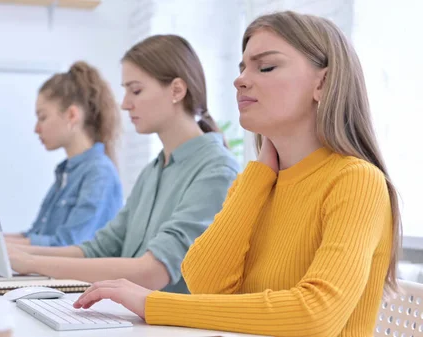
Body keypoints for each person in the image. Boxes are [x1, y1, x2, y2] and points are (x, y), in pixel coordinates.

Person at [73, 11, 401, 337]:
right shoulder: (256, 182)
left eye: (266, 66)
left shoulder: (356, 181)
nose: (240, 79)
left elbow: (315, 314)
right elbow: (204, 284)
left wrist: (152, 304)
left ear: (323, 83)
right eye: (242, 67)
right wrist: (258, 177)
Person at [4, 34, 240, 294]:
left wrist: (31, 262)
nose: (125, 104)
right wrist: (13, 252)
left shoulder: (217, 170)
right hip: (129, 317)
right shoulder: (154, 170)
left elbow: (152, 273)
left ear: (176, 90)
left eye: (136, 90)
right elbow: (98, 249)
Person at [0, 61, 123, 250]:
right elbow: (36, 235)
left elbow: (67, 245)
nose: (36, 128)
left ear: (72, 115)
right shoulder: (66, 172)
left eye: (43, 117)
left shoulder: (99, 173)